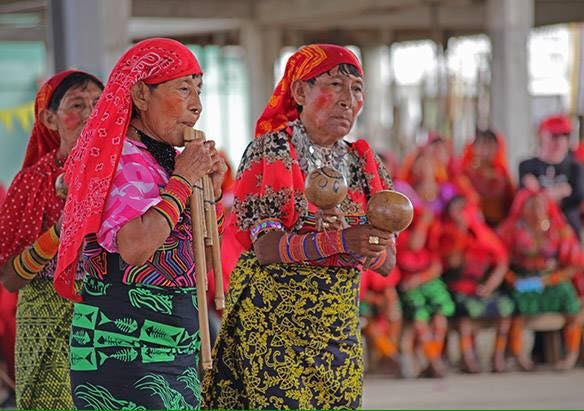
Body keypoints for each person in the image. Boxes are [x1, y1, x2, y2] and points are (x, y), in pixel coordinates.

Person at [203, 44, 396, 409]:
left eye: (356, 89)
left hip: (337, 328)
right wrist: (342, 240)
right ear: (300, 92)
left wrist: (364, 245)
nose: (347, 99)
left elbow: (386, 262)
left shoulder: (363, 162)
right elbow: (267, 247)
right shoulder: (272, 150)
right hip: (273, 324)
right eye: (335, 84)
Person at [53, 38, 226, 410]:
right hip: (123, 348)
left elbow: (195, 247)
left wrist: (208, 189)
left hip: (173, 342)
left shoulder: (165, 157)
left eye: (199, 89)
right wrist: (183, 180)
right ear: (141, 96)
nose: (196, 104)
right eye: (183, 88)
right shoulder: (118, 158)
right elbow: (135, 247)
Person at [0, 70, 103, 409]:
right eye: (77, 105)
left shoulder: (131, 174)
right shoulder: (33, 182)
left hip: (116, 321)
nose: (89, 115)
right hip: (49, 325)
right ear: (50, 118)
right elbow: (11, 277)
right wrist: (60, 232)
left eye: (99, 105)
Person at [498, 189, 582, 370]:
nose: (536, 210)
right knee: (516, 308)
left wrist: (551, 279)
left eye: (540, 206)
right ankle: (520, 357)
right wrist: (512, 279)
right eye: (532, 206)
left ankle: (570, 356)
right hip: (524, 280)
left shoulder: (559, 229)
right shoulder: (512, 229)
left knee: (572, 306)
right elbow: (499, 259)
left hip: (552, 280)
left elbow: (575, 264)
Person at [436, 195, 512, 373]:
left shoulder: (483, 233)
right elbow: (449, 264)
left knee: (506, 308)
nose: (461, 214)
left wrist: (489, 286)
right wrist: (459, 235)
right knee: (465, 312)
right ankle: (467, 358)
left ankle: (497, 357)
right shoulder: (444, 233)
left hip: (482, 288)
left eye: (464, 209)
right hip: (456, 287)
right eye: (456, 210)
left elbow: (501, 261)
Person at [397, 204, 454, 378]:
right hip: (410, 291)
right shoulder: (401, 240)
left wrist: (420, 279)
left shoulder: (430, 243)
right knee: (420, 321)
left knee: (439, 321)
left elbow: (436, 268)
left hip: (430, 284)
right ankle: (435, 362)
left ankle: (432, 361)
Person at [519, 114, 584, 238]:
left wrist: (539, 193)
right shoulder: (526, 166)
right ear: (541, 136)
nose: (559, 141)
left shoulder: (576, 167)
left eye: (565, 135)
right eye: (554, 135)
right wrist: (558, 192)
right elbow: (523, 200)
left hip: (568, 233)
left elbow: (576, 198)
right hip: (534, 236)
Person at [459, 129, 515, 228]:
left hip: (501, 225)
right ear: (473, 148)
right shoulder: (465, 173)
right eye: (482, 145)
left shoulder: (503, 174)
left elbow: (512, 201)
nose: (486, 151)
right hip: (474, 226)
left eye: (490, 146)